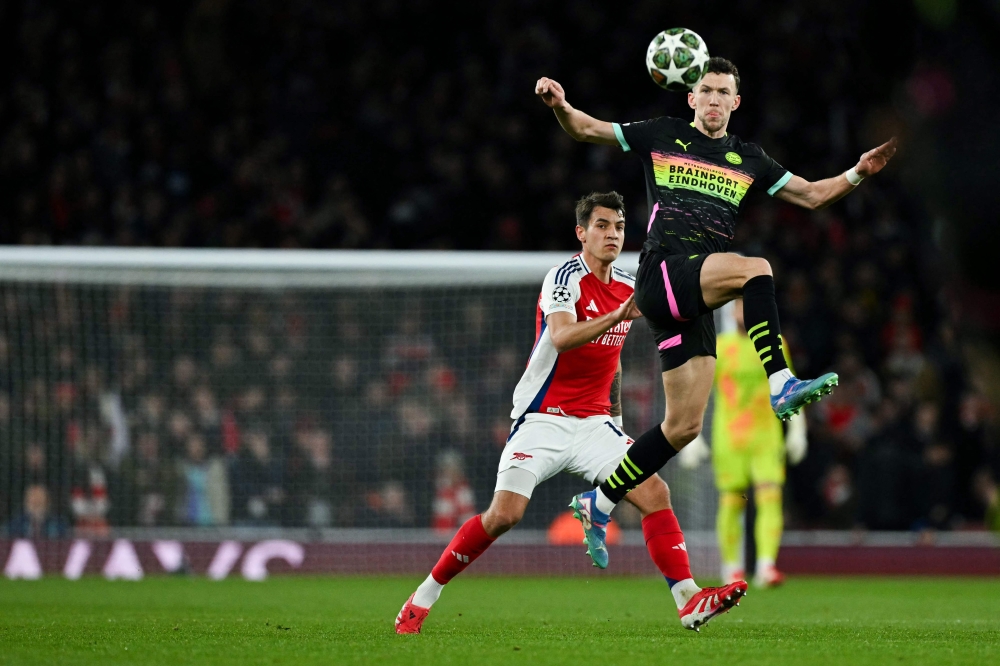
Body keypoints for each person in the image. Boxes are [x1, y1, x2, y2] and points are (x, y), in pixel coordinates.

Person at [534, 57, 897, 560]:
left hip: (692, 298)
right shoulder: (660, 135)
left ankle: (599, 500)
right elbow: (585, 128)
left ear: (735, 102)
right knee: (757, 269)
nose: (712, 99)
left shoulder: (749, 158)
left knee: (682, 427)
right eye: (704, 90)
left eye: (722, 92)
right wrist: (560, 105)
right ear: (690, 98)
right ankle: (780, 382)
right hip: (662, 273)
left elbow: (813, 196)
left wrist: (859, 171)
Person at [395, 191, 747, 636]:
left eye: (618, 227)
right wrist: (617, 315)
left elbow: (613, 361)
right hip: (542, 417)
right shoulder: (563, 278)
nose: (612, 235)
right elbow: (562, 337)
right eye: (601, 226)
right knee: (504, 516)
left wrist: (615, 422)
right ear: (581, 233)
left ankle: (688, 599)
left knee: (655, 492)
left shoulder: (628, 284)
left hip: (595, 424)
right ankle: (425, 594)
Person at [679, 299, 807, 587]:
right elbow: (697, 392)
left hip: (766, 434)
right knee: (732, 501)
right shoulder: (718, 346)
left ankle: (765, 566)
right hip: (730, 436)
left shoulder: (774, 343)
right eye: (738, 307)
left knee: (770, 496)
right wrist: (691, 436)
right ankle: (732, 568)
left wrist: (798, 428)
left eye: (748, 307)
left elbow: (789, 385)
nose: (743, 313)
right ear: (730, 312)